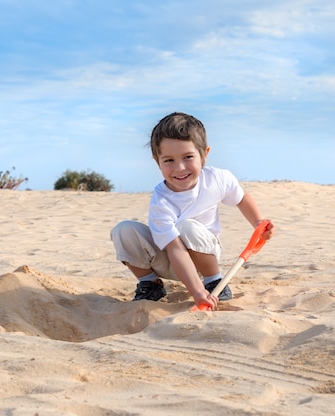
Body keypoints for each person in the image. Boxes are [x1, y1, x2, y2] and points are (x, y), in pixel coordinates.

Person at [111, 112, 275, 310]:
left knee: (186, 227)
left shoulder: (217, 178)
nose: (180, 168)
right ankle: (150, 284)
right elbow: (174, 248)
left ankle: (214, 281)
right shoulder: (161, 200)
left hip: (205, 256)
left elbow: (241, 197)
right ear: (157, 161)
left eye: (188, 157)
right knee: (124, 230)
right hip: (172, 259)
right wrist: (196, 293)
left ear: (204, 154)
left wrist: (258, 223)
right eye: (168, 160)